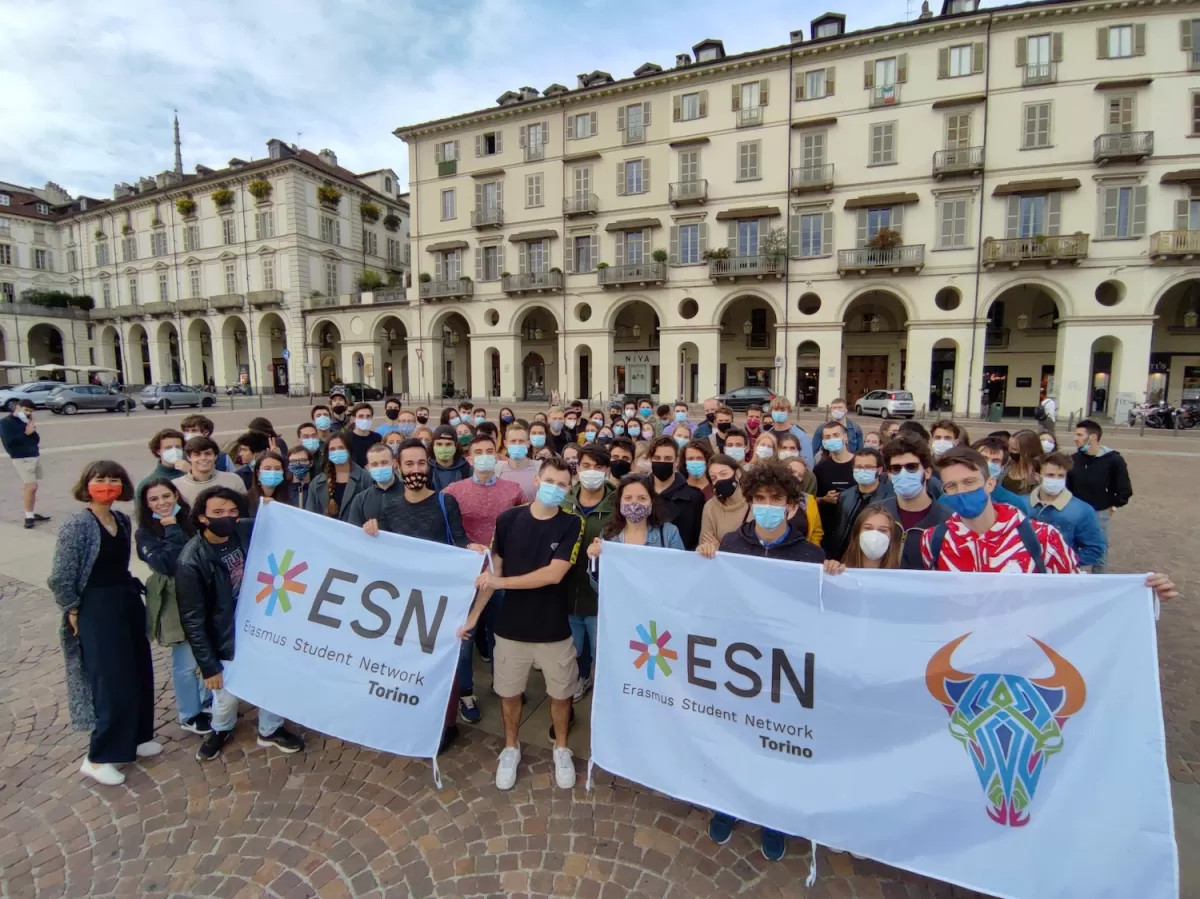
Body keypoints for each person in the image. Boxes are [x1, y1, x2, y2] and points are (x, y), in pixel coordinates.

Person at [699, 459, 823, 862]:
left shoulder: (809, 554)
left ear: (791, 505)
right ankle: (730, 803)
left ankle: (772, 816)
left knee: (776, 742)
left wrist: (834, 574)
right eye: (760, 499)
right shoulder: (733, 544)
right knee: (735, 735)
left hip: (783, 669)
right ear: (750, 502)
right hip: (738, 664)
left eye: (777, 499)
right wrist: (706, 555)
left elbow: (816, 612)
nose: (768, 505)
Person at [459, 457, 585, 791]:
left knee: (561, 695)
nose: (555, 488)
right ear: (537, 481)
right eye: (550, 481)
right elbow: (492, 576)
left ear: (569, 488)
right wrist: (471, 620)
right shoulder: (508, 519)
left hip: (553, 629)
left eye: (562, 484)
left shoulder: (571, 524)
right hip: (510, 628)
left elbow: (554, 574)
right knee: (509, 694)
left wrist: (499, 584)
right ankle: (510, 748)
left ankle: (561, 748)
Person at [176, 487, 305, 761]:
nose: (228, 517)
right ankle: (221, 728)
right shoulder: (191, 561)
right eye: (218, 512)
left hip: (261, 620)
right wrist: (208, 665)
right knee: (227, 692)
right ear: (202, 517)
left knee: (272, 676)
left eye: (233, 511)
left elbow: (279, 525)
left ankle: (271, 728)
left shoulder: (244, 530)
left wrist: (273, 508)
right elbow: (193, 619)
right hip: (225, 634)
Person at [49, 461, 157, 786]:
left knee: (138, 668)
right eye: (100, 479)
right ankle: (99, 757)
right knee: (110, 679)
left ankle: (136, 736)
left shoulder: (121, 520)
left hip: (125, 598)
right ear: (87, 484)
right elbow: (61, 575)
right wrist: (71, 609)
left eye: (114, 479)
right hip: (95, 605)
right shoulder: (78, 525)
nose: (108, 484)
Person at [443, 435, 524, 724]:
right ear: (468, 457)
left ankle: (502, 684)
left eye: (490, 451)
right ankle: (466, 692)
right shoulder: (453, 490)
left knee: (500, 635)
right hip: (466, 576)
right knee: (464, 636)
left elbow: (522, 526)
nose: (485, 456)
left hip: (501, 574)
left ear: (498, 455)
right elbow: (447, 529)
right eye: (479, 452)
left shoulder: (513, 490)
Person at [136, 478, 211, 736]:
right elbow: (167, 563)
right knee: (186, 660)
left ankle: (207, 699)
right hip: (174, 601)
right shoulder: (145, 533)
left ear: (176, 496)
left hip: (201, 594)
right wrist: (170, 529)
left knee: (207, 650)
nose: (162, 503)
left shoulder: (191, 521)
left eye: (166, 496)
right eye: (154, 499)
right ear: (146, 505)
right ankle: (190, 713)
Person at [561, 444, 616, 705]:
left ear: (606, 471)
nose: (591, 472)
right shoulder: (564, 500)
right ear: (577, 468)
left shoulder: (618, 505)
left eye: (598, 467)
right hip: (567, 590)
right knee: (574, 646)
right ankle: (581, 677)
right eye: (586, 466)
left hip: (600, 595)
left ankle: (604, 686)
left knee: (600, 648)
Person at [875, 434, 952, 570]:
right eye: (896, 469)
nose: (903, 473)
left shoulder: (949, 521)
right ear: (889, 475)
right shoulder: (874, 513)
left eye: (912, 467)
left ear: (927, 472)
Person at [1067, 419, 1131, 574]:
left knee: (1099, 549)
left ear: (1092, 437)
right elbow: (1068, 487)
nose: (1075, 438)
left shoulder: (1113, 460)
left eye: (1079, 435)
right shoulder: (1074, 460)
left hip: (1099, 512)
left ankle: (1098, 580)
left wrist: (1112, 508)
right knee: (1071, 547)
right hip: (1075, 512)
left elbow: (1125, 490)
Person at [1029, 452, 1106, 571]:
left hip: (1061, 579)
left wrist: (1068, 562)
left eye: (1061, 476)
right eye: (1050, 475)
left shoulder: (1082, 510)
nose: (1056, 480)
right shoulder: (1021, 504)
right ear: (1037, 476)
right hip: (1025, 575)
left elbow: (1095, 548)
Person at [827, 447, 894, 560]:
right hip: (846, 556)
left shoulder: (890, 498)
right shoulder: (845, 496)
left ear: (879, 470)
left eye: (868, 467)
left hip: (876, 559)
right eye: (858, 467)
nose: (862, 471)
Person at [648, 437, 705, 550]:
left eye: (668, 458)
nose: (662, 462)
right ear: (650, 460)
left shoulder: (694, 497)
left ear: (677, 461)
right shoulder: (640, 491)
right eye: (657, 458)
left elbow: (697, 539)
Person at [1, 399, 50, 529]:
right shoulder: (6, 422)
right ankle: (28, 517)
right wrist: (25, 434)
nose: (28, 413)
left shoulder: (26, 421)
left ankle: (31, 512)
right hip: (21, 457)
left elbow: (36, 439)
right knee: (31, 486)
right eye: (26, 410)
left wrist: (32, 430)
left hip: (33, 455)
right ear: (18, 407)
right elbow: (9, 443)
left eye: (30, 411)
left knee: (34, 486)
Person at [305, 432, 370, 521]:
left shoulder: (366, 478)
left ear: (349, 450)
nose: (337, 452)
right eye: (332, 449)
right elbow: (310, 515)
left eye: (341, 448)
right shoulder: (316, 483)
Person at [813, 420, 856, 550]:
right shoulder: (820, 468)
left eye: (836, 435)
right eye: (827, 437)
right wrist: (824, 499)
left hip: (854, 529)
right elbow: (812, 499)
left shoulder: (860, 464)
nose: (832, 439)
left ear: (846, 437)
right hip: (829, 531)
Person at [823, 506, 904, 573]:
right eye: (868, 528)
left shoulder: (902, 577)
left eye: (882, 530)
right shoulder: (841, 571)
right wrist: (831, 568)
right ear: (857, 533)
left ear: (891, 536)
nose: (874, 536)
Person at [173, 437, 247, 506]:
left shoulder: (234, 480)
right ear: (189, 458)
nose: (203, 458)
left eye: (208, 454)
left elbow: (244, 510)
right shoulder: (175, 486)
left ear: (216, 456)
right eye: (197, 454)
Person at [970, 437, 1032, 515]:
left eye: (995, 461)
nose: (988, 464)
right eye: (983, 458)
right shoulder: (954, 494)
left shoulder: (1013, 503)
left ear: (1002, 467)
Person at [699, 454, 747, 545]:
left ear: (737, 473)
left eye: (723, 474)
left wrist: (721, 547)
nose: (719, 480)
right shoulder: (710, 507)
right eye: (714, 478)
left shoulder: (755, 503)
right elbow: (705, 544)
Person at [495, 422, 541, 502]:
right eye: (513, 441)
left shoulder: (540, 468)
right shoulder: (496, 469)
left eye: (521, 441)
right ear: (506, 443)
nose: (517, 444)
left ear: (528, 444)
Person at [137, 428, 188, 498]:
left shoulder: (191, 473)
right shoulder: (148, 482)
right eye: (168, 448)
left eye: (178, 447)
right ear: (158, 451)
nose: (174, 451)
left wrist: (191, 473)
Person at [765, 396, 814, 466]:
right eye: (776, 410)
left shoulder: (800, 436)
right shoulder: (768, 434)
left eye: (782, 410)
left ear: (789, 411)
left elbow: (808, 463)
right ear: (771, 412)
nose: (778, 412)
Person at [429, 424, 471, 491]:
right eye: (439, 444)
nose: (444, 448)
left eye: (448, 444)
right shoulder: (427, 469)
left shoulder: (466, 468)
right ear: (433, 445)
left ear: (455, 445)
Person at [1002, 430, 1044, 496]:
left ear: (1027, 451)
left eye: (1014, 449)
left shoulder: (1040, 470)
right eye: (1009, 446)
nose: (1009, 450)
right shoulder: (1009, 463)